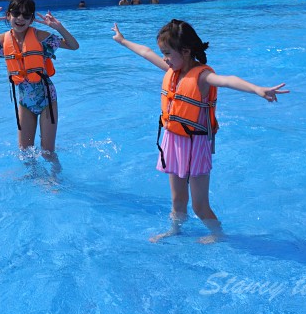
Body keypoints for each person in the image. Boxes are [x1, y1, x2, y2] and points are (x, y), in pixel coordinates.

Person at [112, 19, 287, 243]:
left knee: (199, 205)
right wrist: (122, 40)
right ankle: (175, 230)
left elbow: (226, 80)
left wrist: (257, 89)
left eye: (167, 53)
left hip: (196, 144)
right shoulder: (172, 69)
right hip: (173, 140)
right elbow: (146, 52)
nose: (164, 58)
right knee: (177, 199)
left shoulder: (202, 76)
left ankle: (218, 234)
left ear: (185, 51)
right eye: (163, 53)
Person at [0, 0, 79, 158]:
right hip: (25, 102)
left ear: (31, 19)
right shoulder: (2, 41)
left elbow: (74, 46)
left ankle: (53, 180)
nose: (20, 18)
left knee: (48, 152)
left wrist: (59, 27)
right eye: (16, 13)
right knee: (25, 153)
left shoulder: (41, 37)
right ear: (8, 15)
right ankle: (30, 179)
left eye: (26, 15)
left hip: (47, 100)